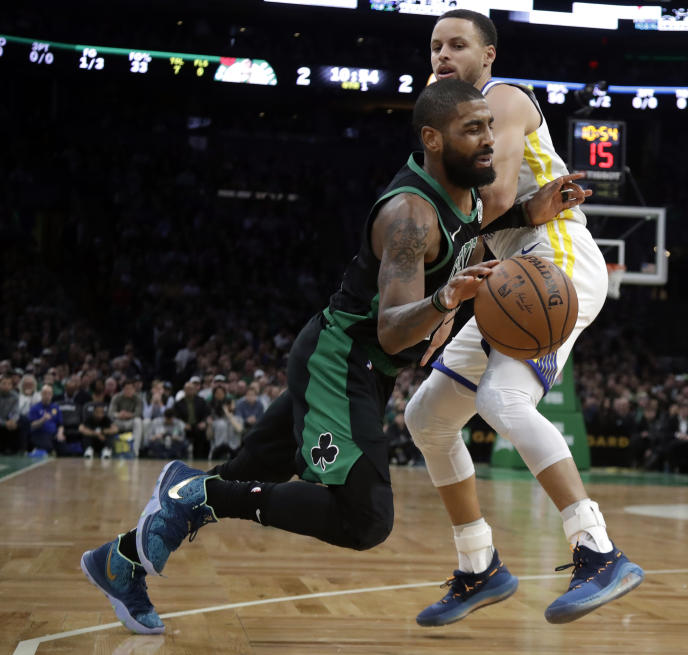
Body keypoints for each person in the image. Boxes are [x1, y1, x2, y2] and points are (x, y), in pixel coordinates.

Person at [79, 79, 584, 635]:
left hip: (358, 366)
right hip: (340, 362)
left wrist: (527, 212)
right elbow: (392, 332)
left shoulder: (468, 189)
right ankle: (187, 488)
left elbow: (471, 233)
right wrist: (445, 299)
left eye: (490, 125)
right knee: (365, 519)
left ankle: (120, 560)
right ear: (433, 140)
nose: (490, 139)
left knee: (242, 477)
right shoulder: (410, 215)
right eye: (473, 129)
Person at [405, 10, 642, 628]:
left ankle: (599, 550)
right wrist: (443, 306)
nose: (442, 54)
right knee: (426, 417)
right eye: (434, 45)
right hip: (511, 273)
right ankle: (479, 564)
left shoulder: (501, 98)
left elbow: (502, 202)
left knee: (502, 401)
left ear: (488, 57)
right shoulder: (448, 136)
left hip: (555, 261)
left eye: (458, 44)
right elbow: (480, 235)